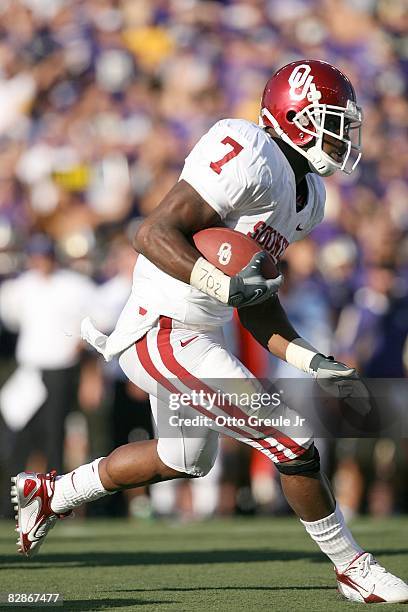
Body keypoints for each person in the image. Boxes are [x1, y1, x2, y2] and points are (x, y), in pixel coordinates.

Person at [11, 60, 408, 604]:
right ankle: (352, 567)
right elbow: (153, 231)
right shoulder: (247, 150)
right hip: (163, 327)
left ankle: (51, 494)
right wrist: (217, 284)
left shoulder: (309, 197)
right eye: (331, 119)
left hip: (202, 333)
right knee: (291, 438)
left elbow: (259, 307)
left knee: (184, 459)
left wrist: (313, 360)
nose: (343, 135)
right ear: (295, 116)